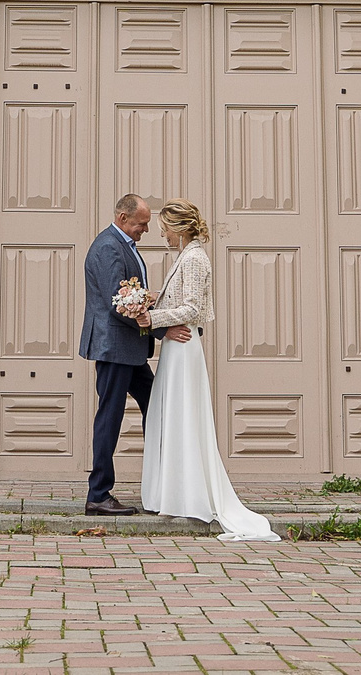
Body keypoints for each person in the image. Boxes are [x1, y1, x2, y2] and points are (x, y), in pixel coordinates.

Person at [137, 199, 278, 541]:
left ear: (180, 229)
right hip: (176, 348)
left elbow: (192, 307)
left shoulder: (196, 258)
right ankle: (172, 491)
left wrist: (151, 318)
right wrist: (155, 298)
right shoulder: (186, 257)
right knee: (171, 416)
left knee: (184, 416)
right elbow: (181, 299)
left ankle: (188, 494)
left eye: (165, 230)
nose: (163, 236)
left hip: (185, 348)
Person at [78, 192, 187, 515]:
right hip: (114, 347)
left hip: (129, 349)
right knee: (109, 418)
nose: (146, 230)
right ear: (123, 218)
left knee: (156, 406)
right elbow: (117, 303)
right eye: (142, 224)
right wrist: (161, 328)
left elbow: (129, 296)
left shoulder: (122, 245)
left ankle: (162, 483)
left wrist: (151, 301)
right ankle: (98, 494)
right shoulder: (109, 247)